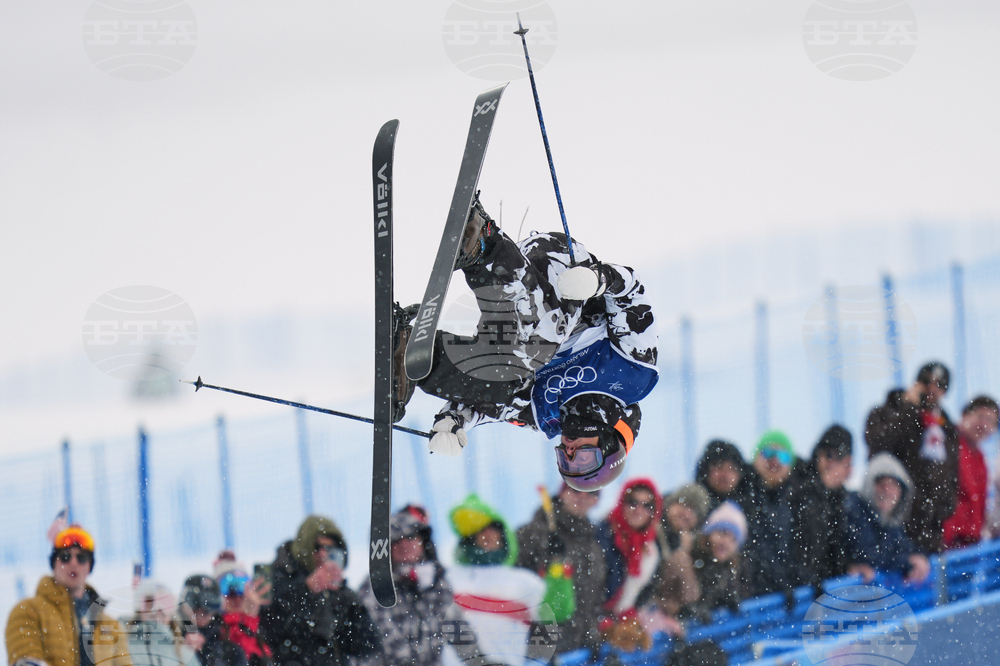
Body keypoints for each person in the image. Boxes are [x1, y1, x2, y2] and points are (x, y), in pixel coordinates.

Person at [392, 195, 659, 492]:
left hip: (524, 325)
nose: (570, 451)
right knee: (536, 346)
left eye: (566, 460)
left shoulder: (544, 413)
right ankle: (484, 243)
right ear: (609, 443)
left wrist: (454, 420)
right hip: (569, 277)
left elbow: (494, 403)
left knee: (503, 381)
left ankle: (411, 357)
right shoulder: (633, 375)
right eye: (583, 459)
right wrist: (599, 280)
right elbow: (633, 294)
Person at [259, 516, 380, 666]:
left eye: (331, 549)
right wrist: (307, 590)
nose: (323, 554)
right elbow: (269, 627)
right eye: (317, 547)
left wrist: (345, 599)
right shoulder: (276, 578)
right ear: (305, 546)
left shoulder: (339, 591)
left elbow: (367, 645)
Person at [865, 361, 960, 553]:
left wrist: (946, 506)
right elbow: (880, 446)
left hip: (932, 528)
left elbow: (951, 471)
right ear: (916, 383)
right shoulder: (886, 413)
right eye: (926, 381)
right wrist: (908, 408)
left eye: (940, 384)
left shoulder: (945, 426)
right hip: (895, 524)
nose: (932, 388)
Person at [6, 524, 132, 666]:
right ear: (54, 563)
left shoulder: (110, 626)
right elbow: (26, 661)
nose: (73, 562)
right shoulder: (28, 611)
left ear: (89, 566)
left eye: (82, 557)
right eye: (65, 557)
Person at [446, 494, 547, 666]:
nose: (488, 534)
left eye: (494, 527)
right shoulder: (449, 579)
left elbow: (557, 613)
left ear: (504, 533)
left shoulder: (526, 582)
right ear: (470, 537)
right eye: (481, 529)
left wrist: (558, 570)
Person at [357, 505, 454, 666]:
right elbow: (385, 634)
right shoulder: (375, 586)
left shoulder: (437, 583)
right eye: (396, 541)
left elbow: (457, 627)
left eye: (410, 537)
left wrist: (481, 661)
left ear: (423, 541)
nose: (404, 545)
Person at [515, 484, 607, 655]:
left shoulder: (593, 544)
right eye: (576, 489)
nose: (583, 497)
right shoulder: (533, 533)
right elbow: (512, 584)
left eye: (591, 493)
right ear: (563, 493)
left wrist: (592, 635)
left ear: (597, 501)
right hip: (539, 650)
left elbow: (594, 599)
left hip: (577, 649)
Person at [843, 453, 931, 584]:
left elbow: (904, 547)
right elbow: (868, 555)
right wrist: (907, 562)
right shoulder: (855, 511)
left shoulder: (890, 521)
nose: (887, 491)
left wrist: (920, 557)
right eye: (881, 484)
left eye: (893, 485)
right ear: (869, 486)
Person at [789, 425, 854, 588]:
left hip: (828, 588)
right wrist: (822, 489)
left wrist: (849, 567)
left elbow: (840, 544)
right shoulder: (799, 482)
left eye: (839, 458)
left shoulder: (844, 499)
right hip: (803, 588)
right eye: (828, 455)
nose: (830, 463)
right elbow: (806, 537)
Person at [741, 430, 798, 599]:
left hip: (786, 601)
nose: (775, 461)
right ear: (755, 459)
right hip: (754, 599)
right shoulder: (744, 497)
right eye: (768, 453)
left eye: (783, 456)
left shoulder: (798, 501)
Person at [943, 396, 1000, 549]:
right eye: (981, 416)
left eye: (991, 421)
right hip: (947, 543)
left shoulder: (980, 457)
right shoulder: (947, 443)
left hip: (969, 545)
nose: (984, 425)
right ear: (965, 414)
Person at [686, 501, 747, 623]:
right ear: (709, 533)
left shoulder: (727, 568)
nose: (725, 543)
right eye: (722, 533)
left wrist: (726, 600)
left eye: (733, 539)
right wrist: (692, 609)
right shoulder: (689, 557)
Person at [212, 551, 272, 666]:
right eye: (226, 588)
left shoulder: (264, 621)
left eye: (241, 586)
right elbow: (241, 657)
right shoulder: (214, 626)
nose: (236, 597)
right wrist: (248, 621)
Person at [124, 580, 199, 666]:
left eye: (166, 603)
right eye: (150, 604)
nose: (158, 611)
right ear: (139, 609)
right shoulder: (123, 647)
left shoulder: (184, 654)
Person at [180, 574, 247, 666]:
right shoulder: (167, 640)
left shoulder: (231, 652)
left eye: (210, 604)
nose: (201, 611)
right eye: (194, 602)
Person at [694, 439, 756, 515]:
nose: (725, 474)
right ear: (705, 471)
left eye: (732, 469)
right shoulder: (692, 508)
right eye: (719, 467)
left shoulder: (756, 510)